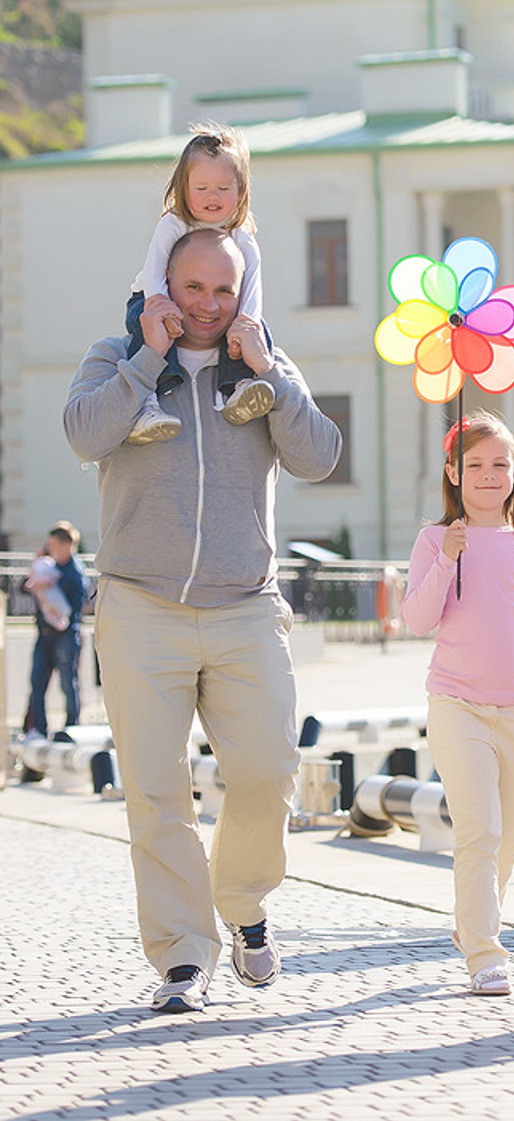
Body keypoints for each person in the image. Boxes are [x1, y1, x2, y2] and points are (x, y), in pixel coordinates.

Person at [64, 226, 341, 1015]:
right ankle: (184, 954)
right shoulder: (114, 359)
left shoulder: (261, 367)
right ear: (165, 286)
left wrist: (271, 377)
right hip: (140, 606)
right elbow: (84, 434)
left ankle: (243, 902)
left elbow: (319, 455)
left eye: (225, 290)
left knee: (268, 772)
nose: (210, 306)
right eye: (195, 289)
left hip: (244, 607)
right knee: (157, 793)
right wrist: (146, 359)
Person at [400, 411, 514, 997]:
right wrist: (449, 555)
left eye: (500, 464)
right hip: (456, 706)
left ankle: (473, 923)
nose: (488, 475)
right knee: (478, 831)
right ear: (453, 473)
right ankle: (484, 951)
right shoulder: (435, 540)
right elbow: (417, 619)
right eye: (474, 465)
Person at [125, 125, 275, 444]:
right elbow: (154, 272)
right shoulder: (173, 224)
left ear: (241, 191)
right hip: (152, 299)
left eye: (223, 187)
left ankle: (239, 388)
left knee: (256, 328)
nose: (212, 197)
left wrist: (246, 325)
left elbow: (251, 289)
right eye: (202, 187)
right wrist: (159, 309)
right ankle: (148, 405)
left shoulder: (243, 237)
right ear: (184, 187)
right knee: (146, 330)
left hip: (218, 307)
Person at [22, 521, 89, 739]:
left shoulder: (74, 573)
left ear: (67, 544)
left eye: (54, 544)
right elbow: (24, 587)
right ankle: (38, 729)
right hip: (44, 634)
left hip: (65, 636)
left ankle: (72, 728)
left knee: (67, 684)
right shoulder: (49, 567)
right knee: (37, 683)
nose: (51, 549)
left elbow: (75, 609)